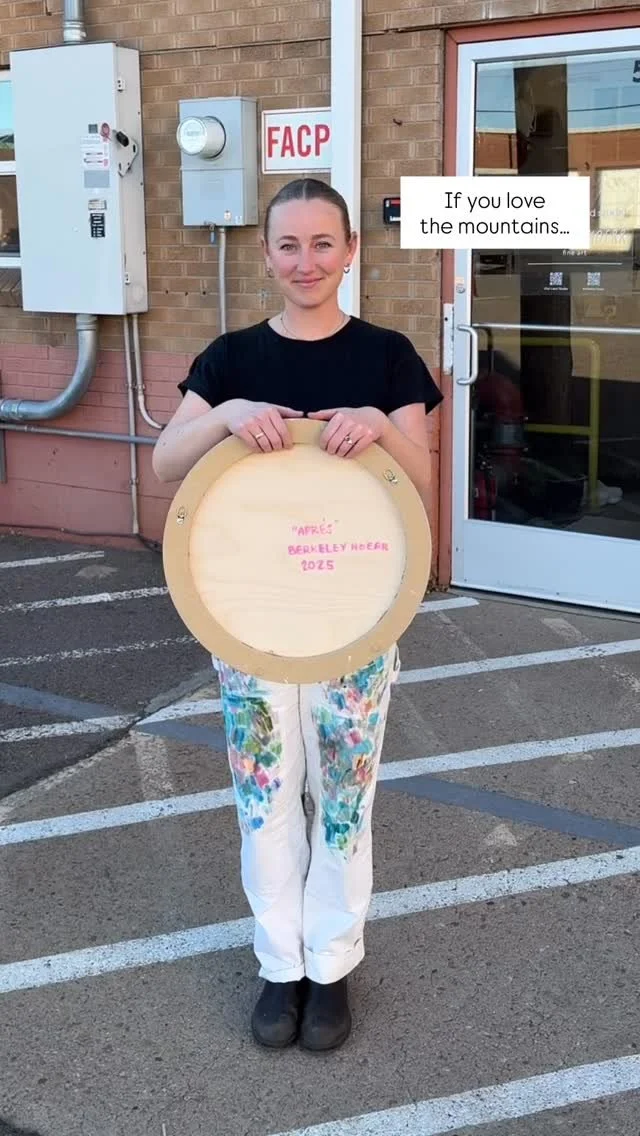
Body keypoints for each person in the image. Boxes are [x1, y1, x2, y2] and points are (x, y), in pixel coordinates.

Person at [152, 177, 443, 1052]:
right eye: (289, 245)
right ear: (266, 254)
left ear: (351, 251)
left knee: (344, 801)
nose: (306, 261)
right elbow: (167, 460)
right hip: (250, 627)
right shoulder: (231, 360)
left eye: (323, 243)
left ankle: (333, 962)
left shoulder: (387, 357)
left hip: (356, 624)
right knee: (266, 800)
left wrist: (378, 424)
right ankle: (280, 965)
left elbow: (421, 479)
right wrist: (226, 415)